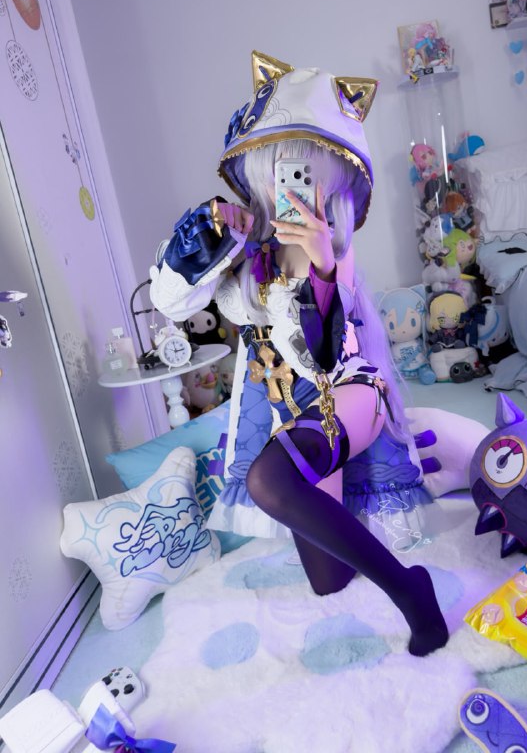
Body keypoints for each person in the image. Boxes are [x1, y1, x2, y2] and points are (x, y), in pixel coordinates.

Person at [149, 51, 448, 657]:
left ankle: (410, 591)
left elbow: (324, 351)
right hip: (290, 410)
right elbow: (173, 304)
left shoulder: (335, 247)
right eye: (277, 169)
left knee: (269, 478)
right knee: (327, 581)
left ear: (330, 179)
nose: (288, 184)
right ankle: (364, 543)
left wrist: (322, 265)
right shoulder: (244, 245)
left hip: (347, 393)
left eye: (304, 171)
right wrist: (202, 243)